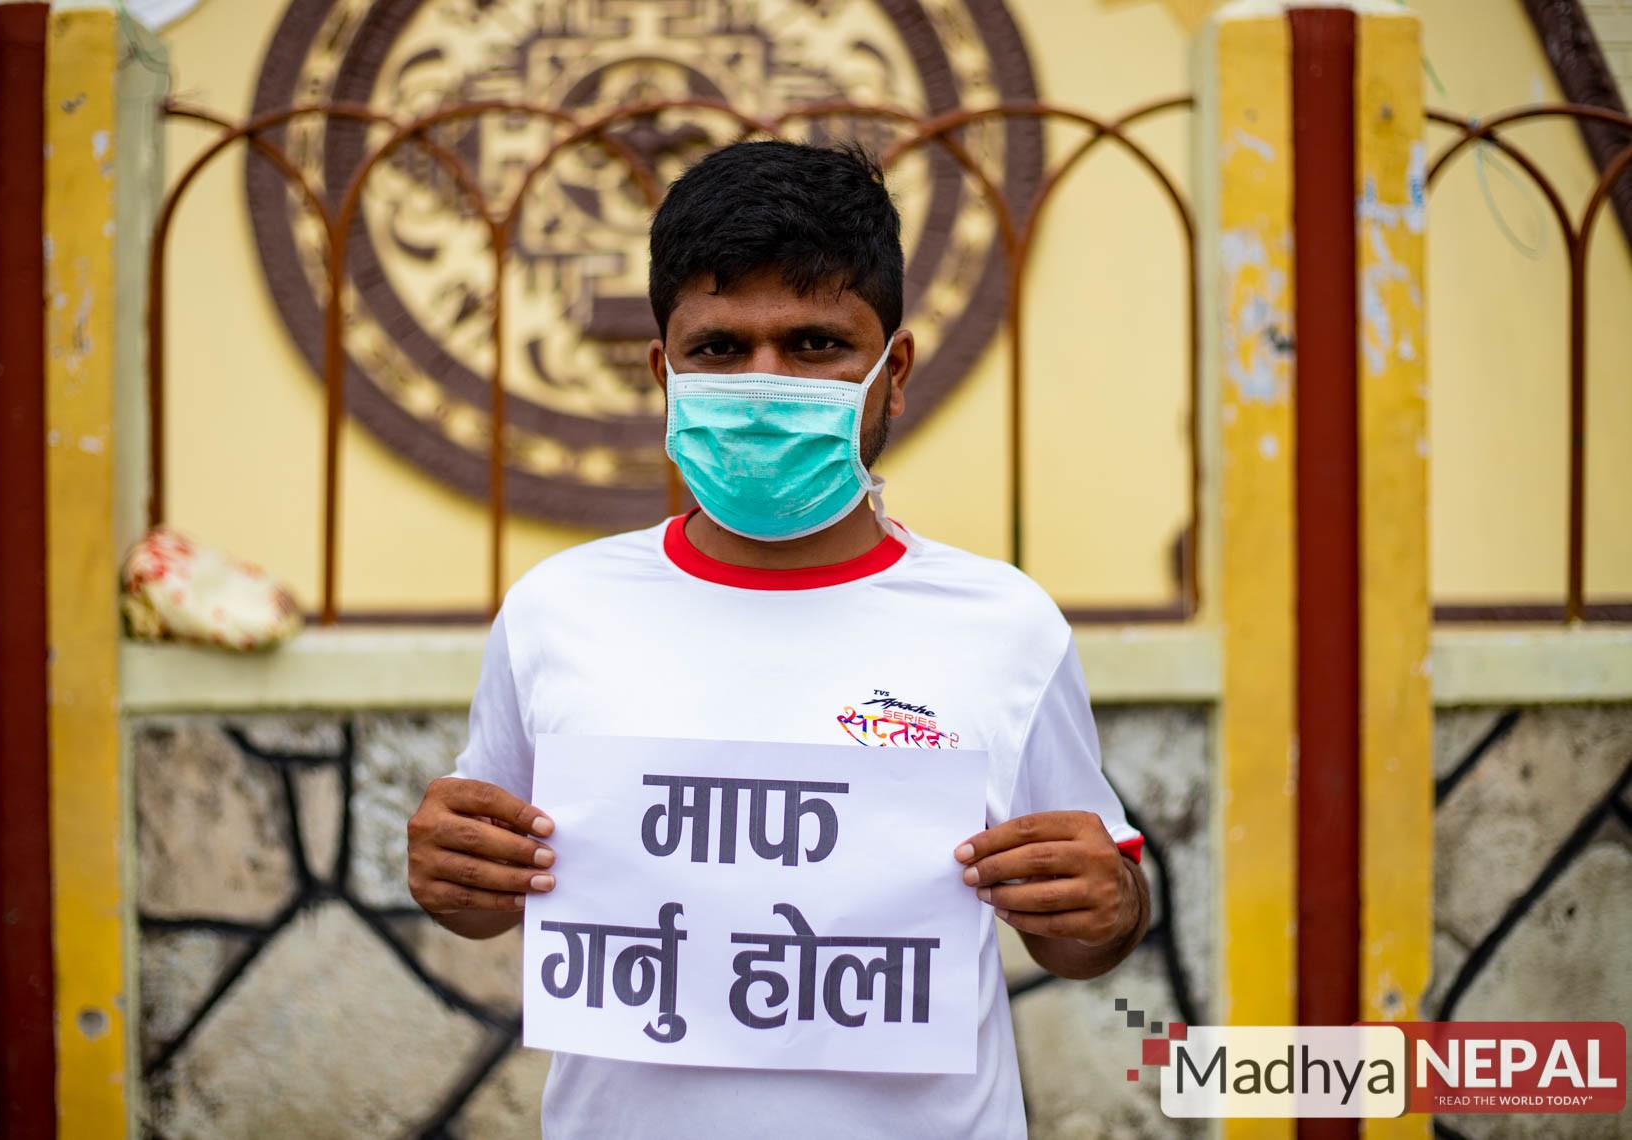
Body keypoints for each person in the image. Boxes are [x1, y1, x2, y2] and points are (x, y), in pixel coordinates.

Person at [406, 139, 1150, 1139]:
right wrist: (450, 875)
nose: (765, 384)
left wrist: (1111, 906)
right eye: (720, 350)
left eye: (814, 344)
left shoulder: (1005, 627)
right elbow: (488, 892)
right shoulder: (557, 611)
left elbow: (1085, 933)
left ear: (893, 372)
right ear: (664, 371)